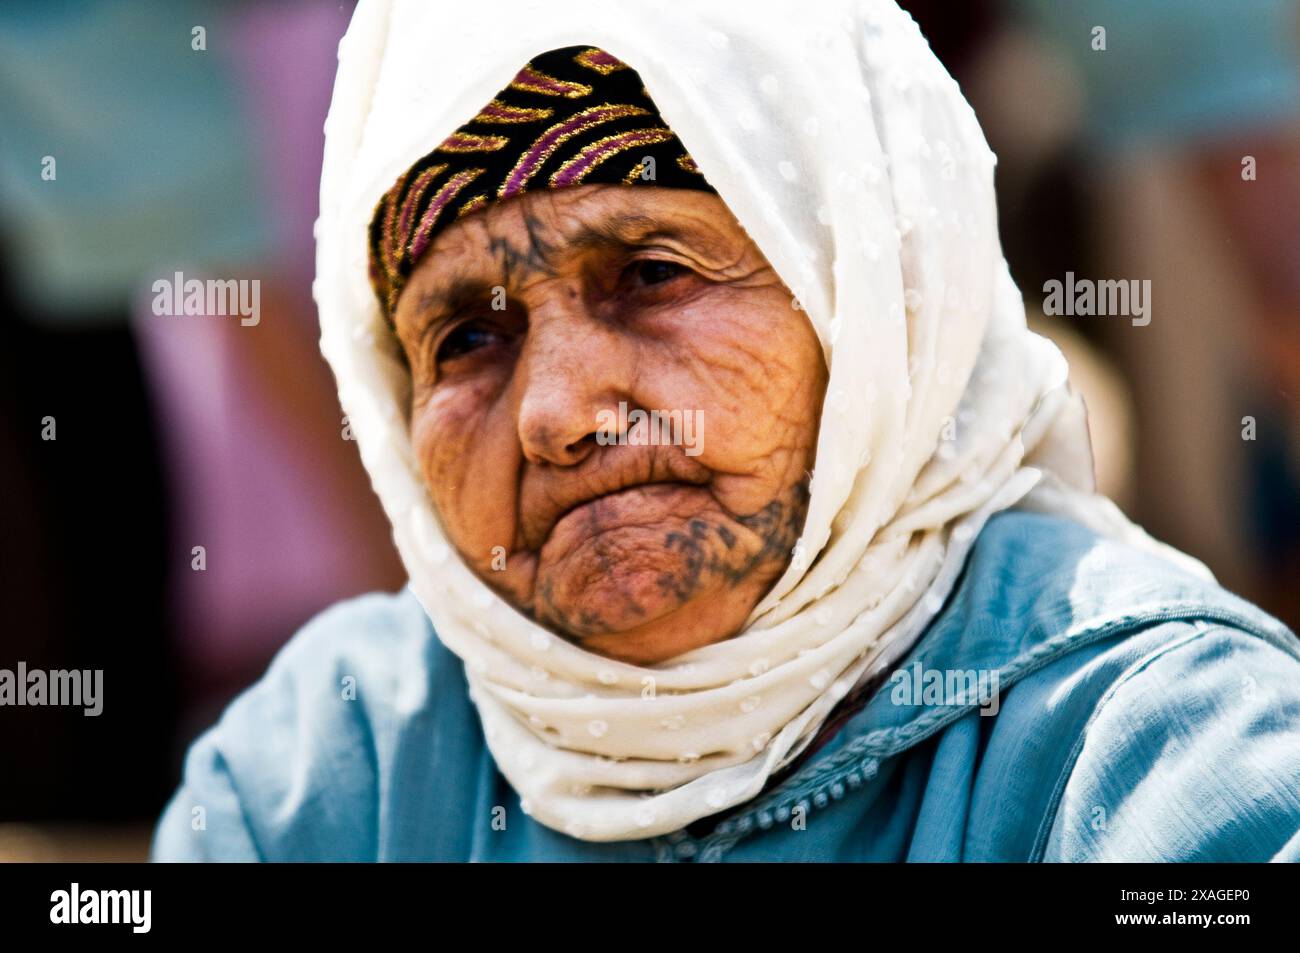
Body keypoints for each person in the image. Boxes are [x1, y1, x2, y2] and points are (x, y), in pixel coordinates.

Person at [151, 0, 1300, 862]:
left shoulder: (1153, 750)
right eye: (463, 337)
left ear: (870, 304)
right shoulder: (328, 773)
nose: (556, 412)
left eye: (650, 273)